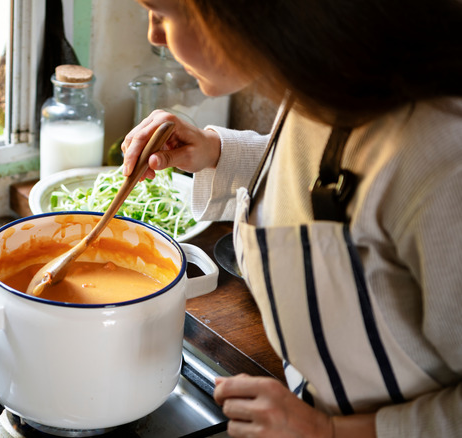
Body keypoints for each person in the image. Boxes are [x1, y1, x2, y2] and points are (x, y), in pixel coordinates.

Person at [122, 0, 462, 437]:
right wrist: (213, 153)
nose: (153, 35)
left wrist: (328, 432)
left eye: (162, 13)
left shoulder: (439, 160)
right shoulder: (327, 82)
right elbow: (323, 175)